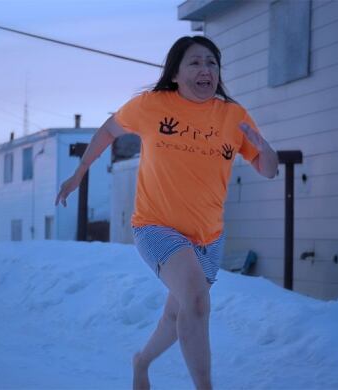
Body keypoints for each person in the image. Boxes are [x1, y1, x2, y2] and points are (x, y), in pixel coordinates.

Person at [54, 35, 278, 390]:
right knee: (197, 302)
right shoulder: (151, 105)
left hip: (209, 237)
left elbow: (268, 170)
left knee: (178, 313)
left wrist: (267, 150)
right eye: (195, 62)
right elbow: (108, 131)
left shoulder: (234, 116)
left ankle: (141, 362)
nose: (205, 70)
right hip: (156, 226)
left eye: (212, 63)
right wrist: (79, 172)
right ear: (175, 73)